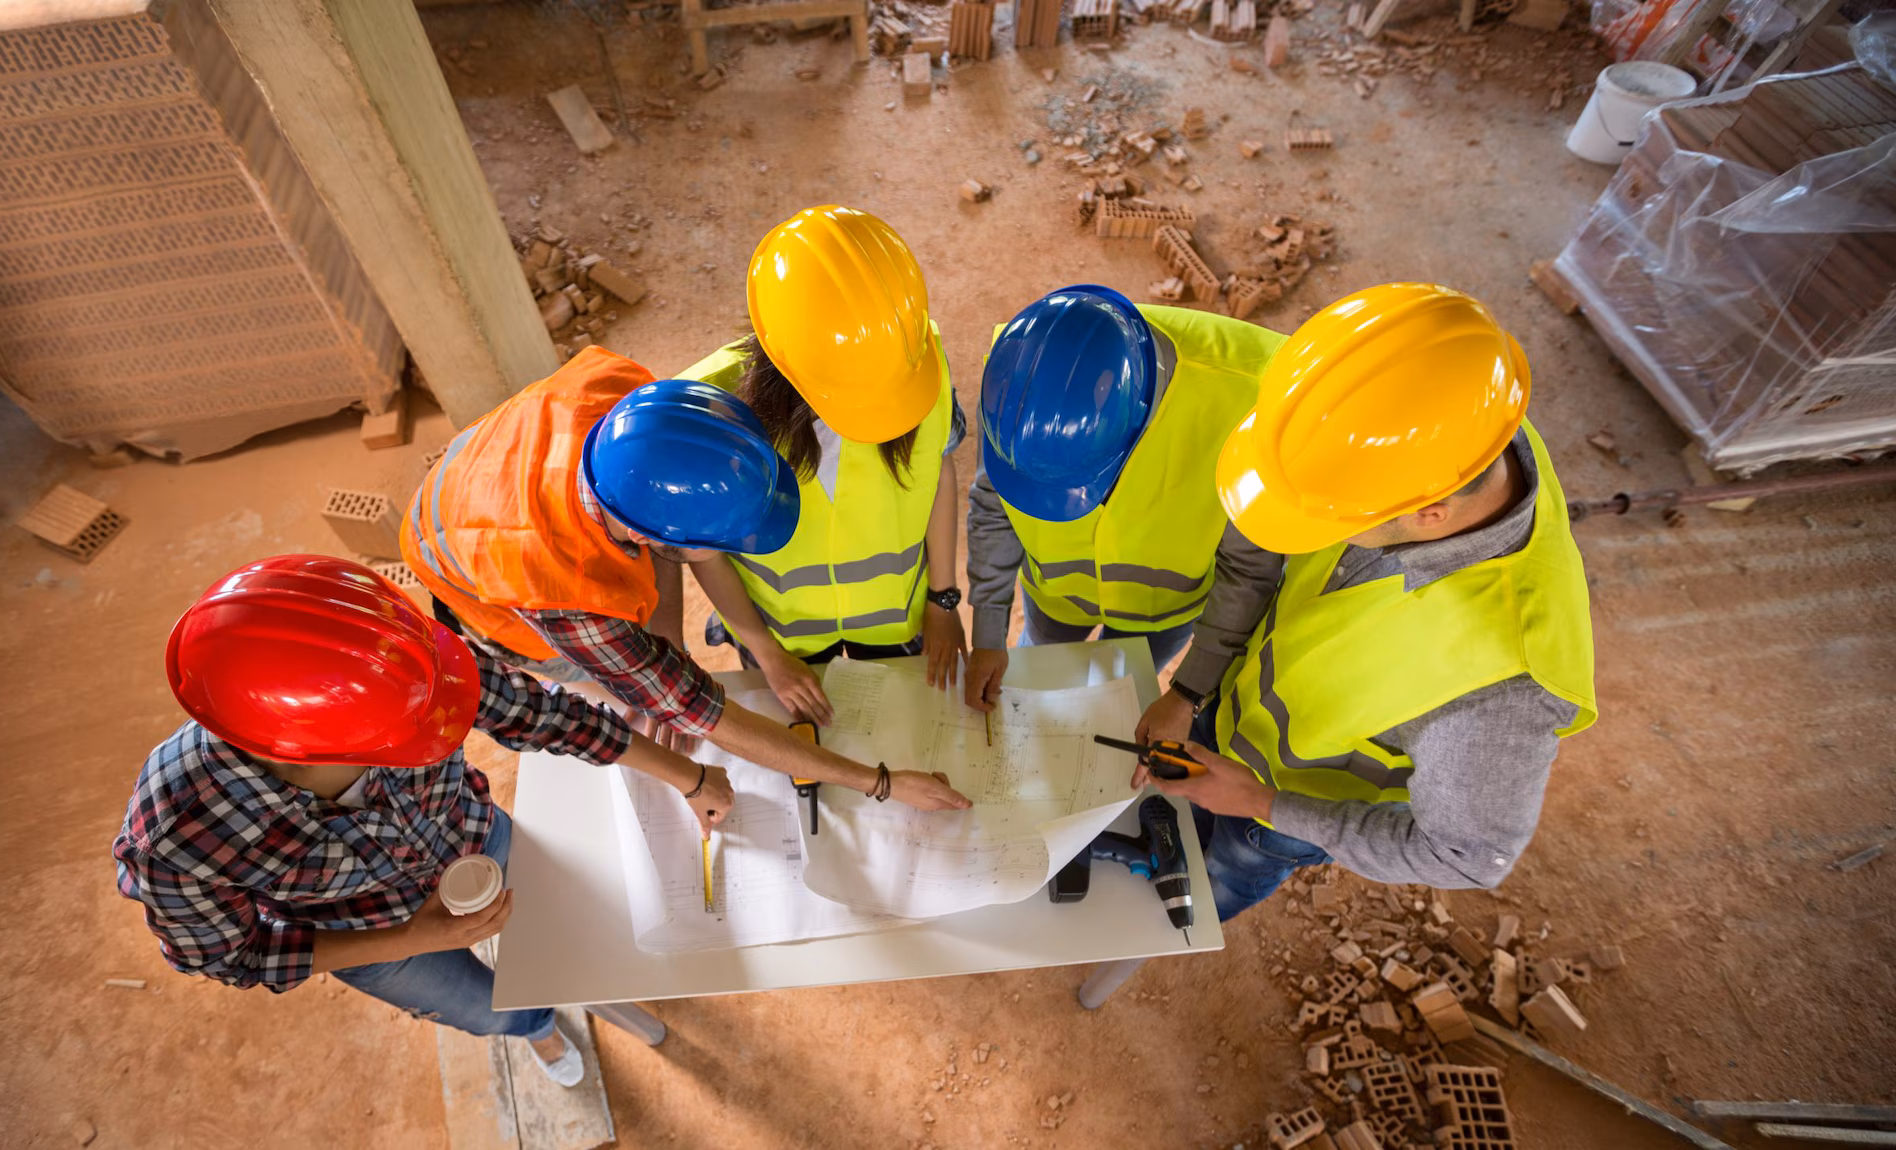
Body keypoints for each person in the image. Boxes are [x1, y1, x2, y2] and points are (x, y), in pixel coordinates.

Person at [112, 555, 730, 1085]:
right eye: (408, 734)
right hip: (368, 932)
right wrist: (411, 941)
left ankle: (570, 985)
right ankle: (536, 1027)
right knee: (487, 1009)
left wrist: (690, 778)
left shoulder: (405, 665)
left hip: (473, 839)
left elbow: (548, 714)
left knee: (571, 931)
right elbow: (235, 956)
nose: (437, 718)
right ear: (298, 753)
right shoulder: (175, 834)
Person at [1136, 284, 1600, 918]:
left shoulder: (1505, 688)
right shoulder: (1453, 424)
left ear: (1431, 515)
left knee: (1199, 898)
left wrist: (1260, 804)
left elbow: (1465, 856)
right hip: (1228, 718)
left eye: (1328, 519)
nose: (1311, 530)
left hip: (1273, 816)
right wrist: (1192, 693)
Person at [401, 345, 970, 812]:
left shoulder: (629, 398)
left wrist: (669, 645)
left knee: (656, 676)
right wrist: (881, 784)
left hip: (499, 479)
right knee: (627, 694)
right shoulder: (564, 599)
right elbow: (707, 716)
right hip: (477, 576)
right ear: (650, 537)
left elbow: (672, 552)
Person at [680, 205, 968, 724]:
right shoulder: (708, 406)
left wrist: (943, 599)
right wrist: (765, 654)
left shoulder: (914, 361)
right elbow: (703, 551)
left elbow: (936, 472)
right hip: (784, 637)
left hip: (894, 621)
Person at [962, 284, 1286, 718]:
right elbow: (994, 503)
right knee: (1033, 694)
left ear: (1136, 423)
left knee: (1111, 706)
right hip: (1053, 598)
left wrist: (1188, 691)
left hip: (1161, 618)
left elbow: (1250, 570)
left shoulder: (1249, 403)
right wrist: (987, 631)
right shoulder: (1016, 377)